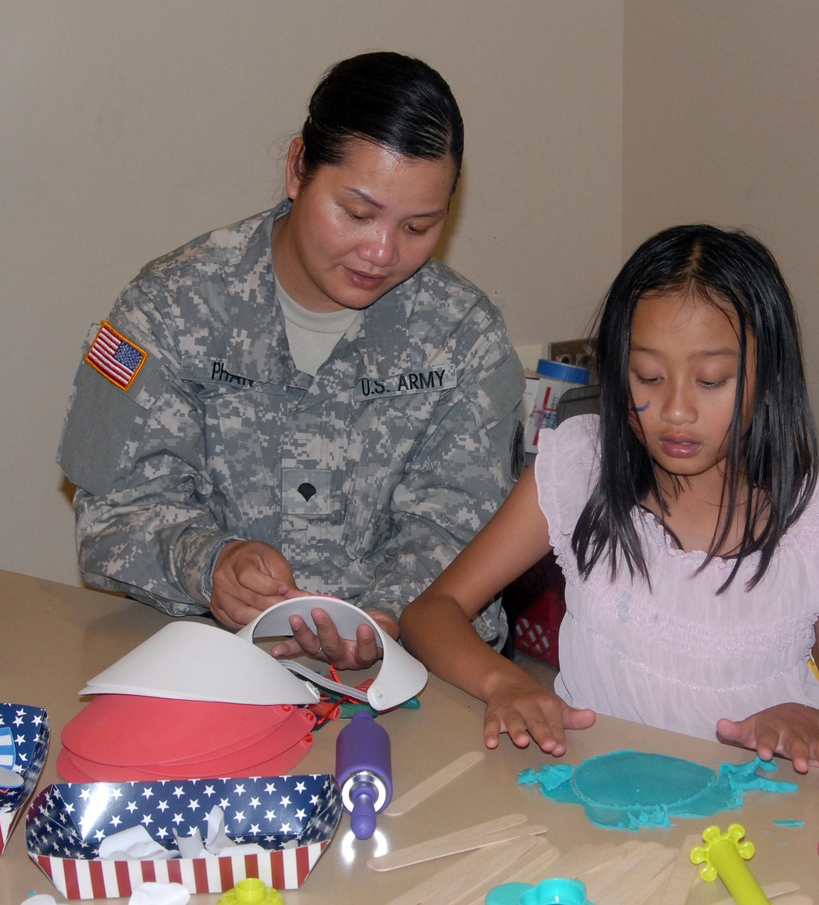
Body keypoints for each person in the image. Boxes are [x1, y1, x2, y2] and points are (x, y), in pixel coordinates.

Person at [57, 52, 525, 669]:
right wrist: (210, 563)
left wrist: (384, 619)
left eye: (418, 227)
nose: (381, 251)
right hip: (213, 670)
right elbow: (112, 518)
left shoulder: (465, 337)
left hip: (408, 674)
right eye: (357, 213)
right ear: (298, 169)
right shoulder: (169, 307)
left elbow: (464, 529)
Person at [401, 224, 819, 784]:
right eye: (648, 376)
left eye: (711, 380)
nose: (675, 410)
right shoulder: (581, 471)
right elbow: (429, 613)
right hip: (598, 813)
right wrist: (504, 682)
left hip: (756, 834)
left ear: (769, 378)